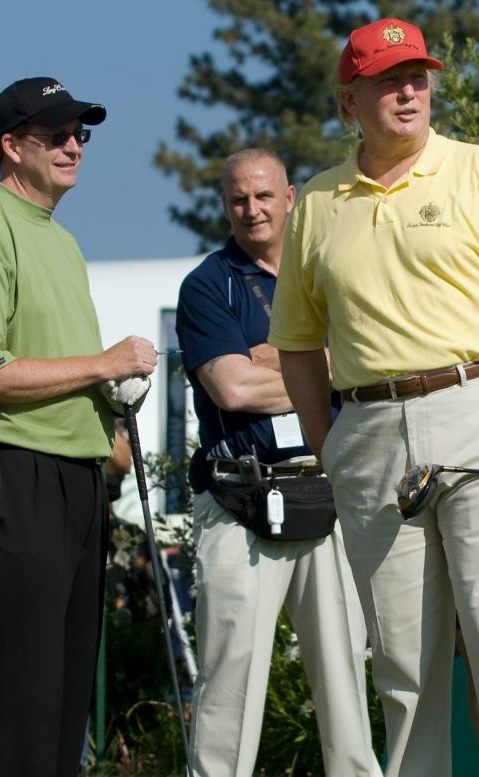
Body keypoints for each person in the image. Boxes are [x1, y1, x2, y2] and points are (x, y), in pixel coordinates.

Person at [270, 18, 479, 777]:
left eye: (417, 77)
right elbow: (299, 342)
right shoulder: (317, 202)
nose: (408, 91)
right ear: (350, 101)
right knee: (403, 667)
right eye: (386, 80)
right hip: (367, 430)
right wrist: (326, 443)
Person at [0, 76, 157, 777]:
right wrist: (102, 363)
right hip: (18, 470)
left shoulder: (59, 240)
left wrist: (113, 389)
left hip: (77, 477)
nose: (74, 146)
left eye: (80, 134)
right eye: (56, 134)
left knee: (60, 692)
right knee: (18, 688)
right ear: (9, 146)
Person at [176, 148, 381, 777]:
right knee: (228, 688)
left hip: (330, 497)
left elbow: (374, 365)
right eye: (238, 199)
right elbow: (233, 389)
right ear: (224, 206)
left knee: (347, 684)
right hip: (240, 502)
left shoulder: (328, 270)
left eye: (264, 196)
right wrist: (327, 369)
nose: (252, 209)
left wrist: (274, 359)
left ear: (290, 198)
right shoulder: (208, 284)